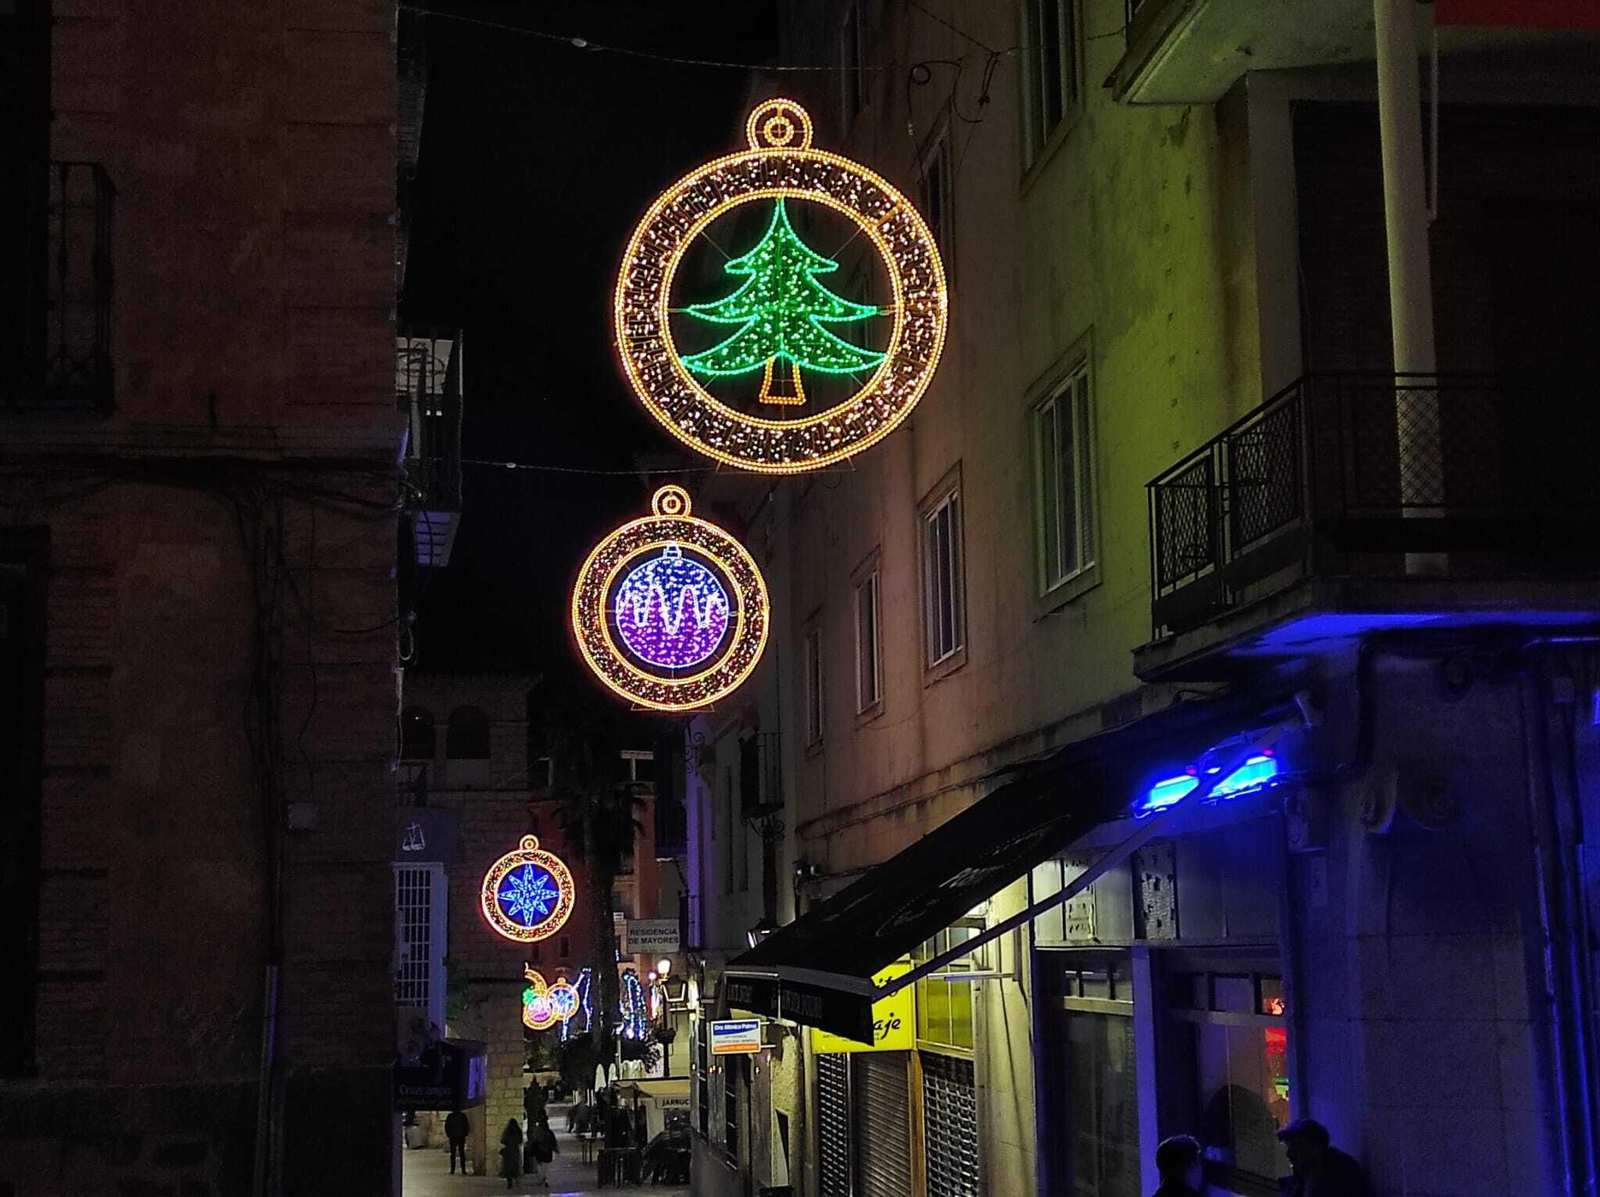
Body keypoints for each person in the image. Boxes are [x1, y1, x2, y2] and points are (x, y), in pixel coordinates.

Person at [1277, 1118, 1375, 1197]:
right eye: (1289, 1147)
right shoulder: (1306, 1168)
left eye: (1296, 1147)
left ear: (1315, 1145)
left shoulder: (1341, 1172)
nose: (1289, 1154)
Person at [525, 1114, 558, 1188]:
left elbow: (534, 1142)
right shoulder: (549, 1133)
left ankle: (542, 1178)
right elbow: (553, 1142)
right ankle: (544, 1179)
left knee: (540, 1166)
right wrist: (555, 1149)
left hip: (539, 1152)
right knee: (545, 1166)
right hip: (547, 1152)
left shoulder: (537, 1133)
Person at [498, 1118, 523, 1190]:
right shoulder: (518, 1131)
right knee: (515, 1166)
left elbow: (502, 1140)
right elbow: (520, 1141)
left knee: (508, 1167)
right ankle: (517, 1182)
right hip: (515, 1151)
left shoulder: (507, 1131)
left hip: (508, 1151)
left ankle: (509, 1183)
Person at [443, 1109, 469, 1176]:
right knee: (461, 1153)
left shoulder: (450, 1116)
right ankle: (463, 1170)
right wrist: (465, 1134)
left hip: (453, 1137)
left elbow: (447, 1126)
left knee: (453, 1153)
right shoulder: (463, 1116)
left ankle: (452, 1170)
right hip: (461, 1136)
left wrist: (449, 1135)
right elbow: (466, 1125)